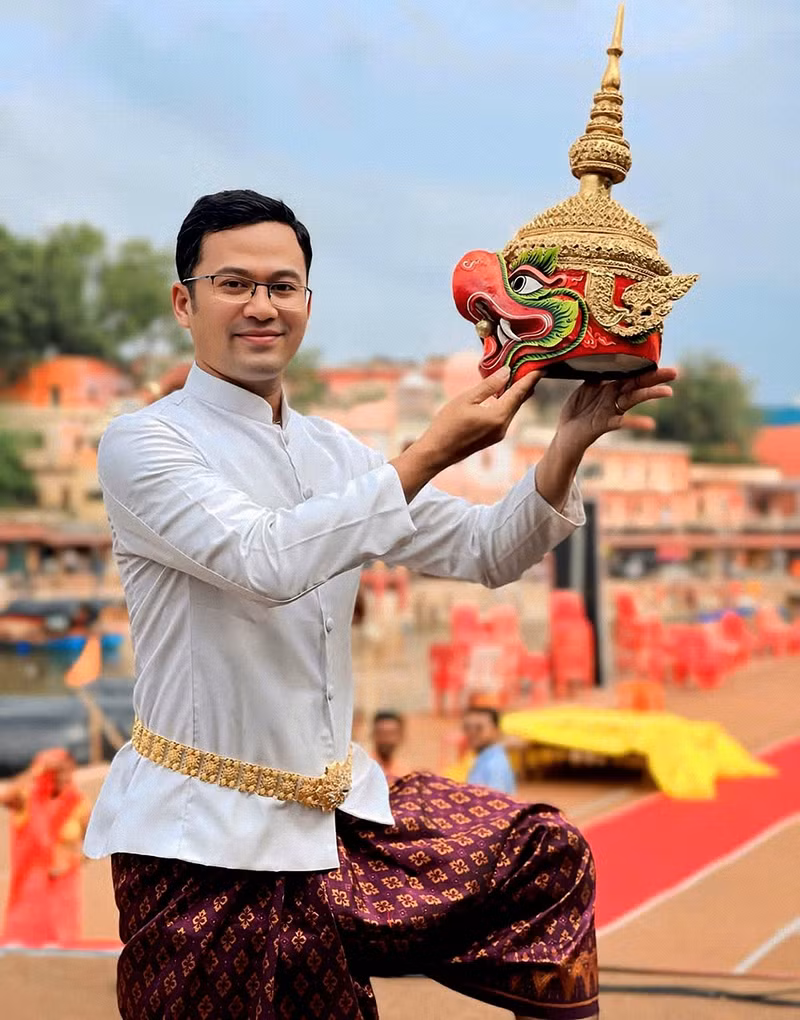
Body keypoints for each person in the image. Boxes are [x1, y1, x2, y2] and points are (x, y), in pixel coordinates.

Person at [84, 189, 676, 1019]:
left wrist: (566, 445)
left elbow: (483, 549)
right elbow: (261, 559)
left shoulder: (334, 451)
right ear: (185, 302)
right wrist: (428, 451)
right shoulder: (145, 443)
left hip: (333, 827)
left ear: (307, 305)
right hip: (197, 845)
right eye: (234, 284)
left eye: (283, 286)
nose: (262, 306)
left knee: (544, 853)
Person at [1, 748, 91, 946]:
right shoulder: (27, 799)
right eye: (56, 771)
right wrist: (36, 770)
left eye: (66, 771)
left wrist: (71, 861)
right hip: (29, 888)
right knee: (20, 946)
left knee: (61, 949)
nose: (62, 777)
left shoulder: (79, 803)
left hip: (63, 886)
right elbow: (5, 797)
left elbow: (92, 846)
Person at [464, 705, 516, 795]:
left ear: (496, 730)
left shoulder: (495, 765)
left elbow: (496, 805)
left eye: (479, 728)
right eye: (467, 727)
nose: (471, 732)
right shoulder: (484, 758)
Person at [370, 710, 410, 783]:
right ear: (373, 735)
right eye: (382, 733)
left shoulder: (404, 774)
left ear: (400, 736)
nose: (386, 739)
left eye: (391, 734)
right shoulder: (364, 769)